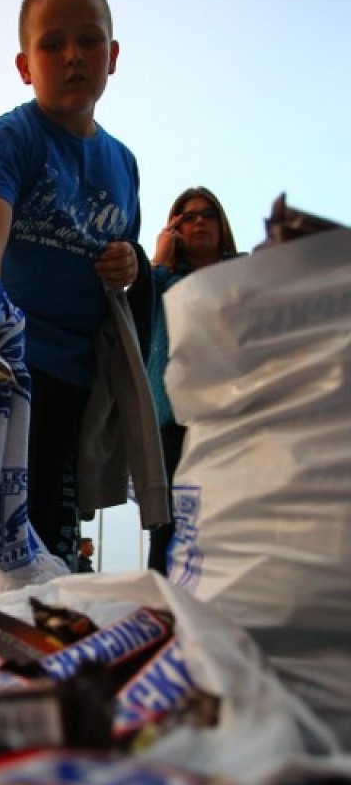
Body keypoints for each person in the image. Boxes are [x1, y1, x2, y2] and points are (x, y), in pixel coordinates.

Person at [0, 0, 154, 569]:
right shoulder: (9, 139)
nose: (72, 55)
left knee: (49, 541)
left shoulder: (124, 165)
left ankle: (44, 654)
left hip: (73, 381)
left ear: (112, 55)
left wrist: (129, 261)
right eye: (52, 44)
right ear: (25, 65)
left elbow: (124, 260)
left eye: (88, 40)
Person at [146, 186, 238, 575]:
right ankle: (162, 621)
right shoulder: (161, 283)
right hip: (173, 419)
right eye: (188, 216)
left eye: (207, 214)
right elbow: (131, 317)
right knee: (169, 526)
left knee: (230, 522)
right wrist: (159, 260)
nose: (199, 221)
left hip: (234, 416)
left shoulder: (244, 275)